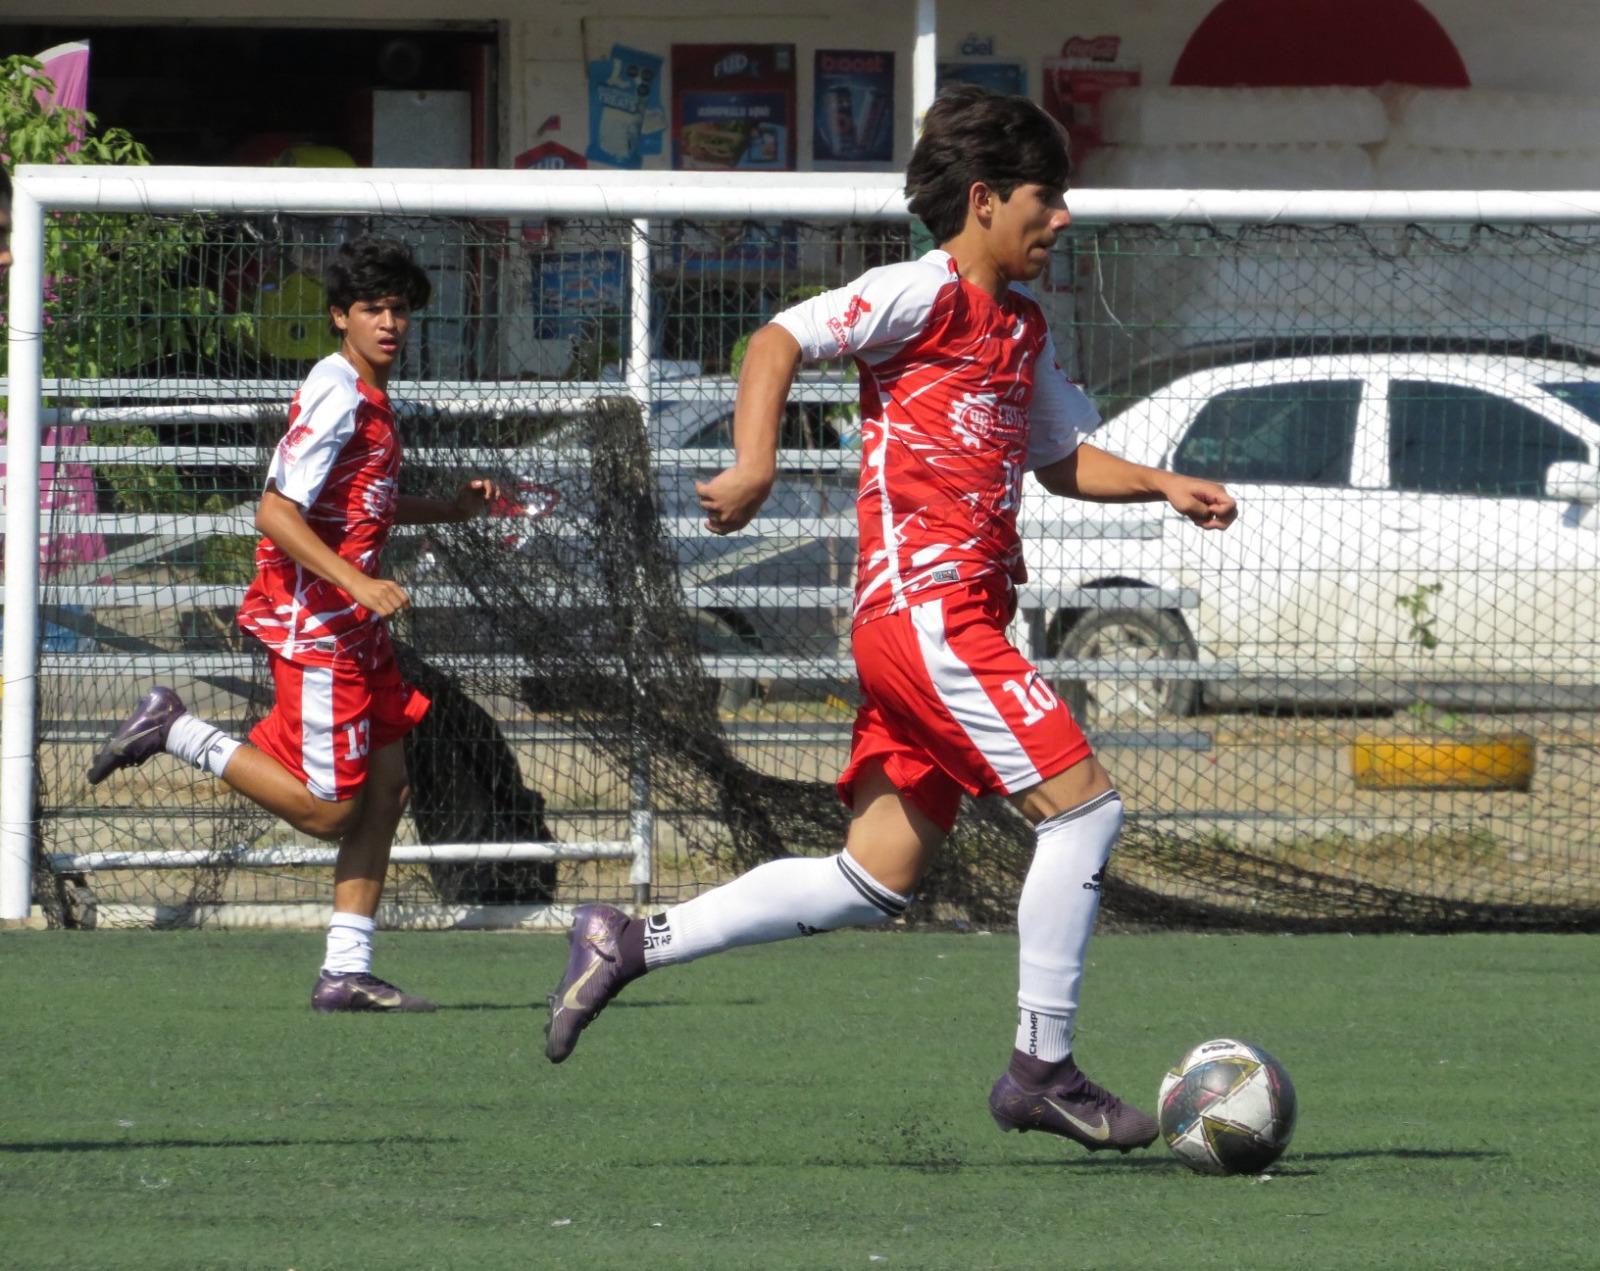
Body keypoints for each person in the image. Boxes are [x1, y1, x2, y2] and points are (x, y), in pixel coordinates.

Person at [542, 84, 1237, 1154]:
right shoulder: (921, 291)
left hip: (935, 622)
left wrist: (1163, 482)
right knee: (1085, 812)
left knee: (875, 876)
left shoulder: (1020, 328)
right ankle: (1039, 1065)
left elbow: (1058, 461)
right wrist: (756, 461)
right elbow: (776, 339)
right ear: (985, 199)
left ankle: (632, 937)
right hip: (930, 615)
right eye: (1047, 200)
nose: (1063, 220)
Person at [88, 236, 501, 1013]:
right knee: (329, 808)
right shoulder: (340, 392)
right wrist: (358, 581)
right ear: (340, 316)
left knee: (387, 788)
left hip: (353, 622)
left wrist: (445, 507)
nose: (389, 322)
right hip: (318, 621)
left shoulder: (367, 396)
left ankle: (345, 968)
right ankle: (176, 728)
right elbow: (275, 511)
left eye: (400, 309)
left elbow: (354, 507)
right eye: (372, 309)